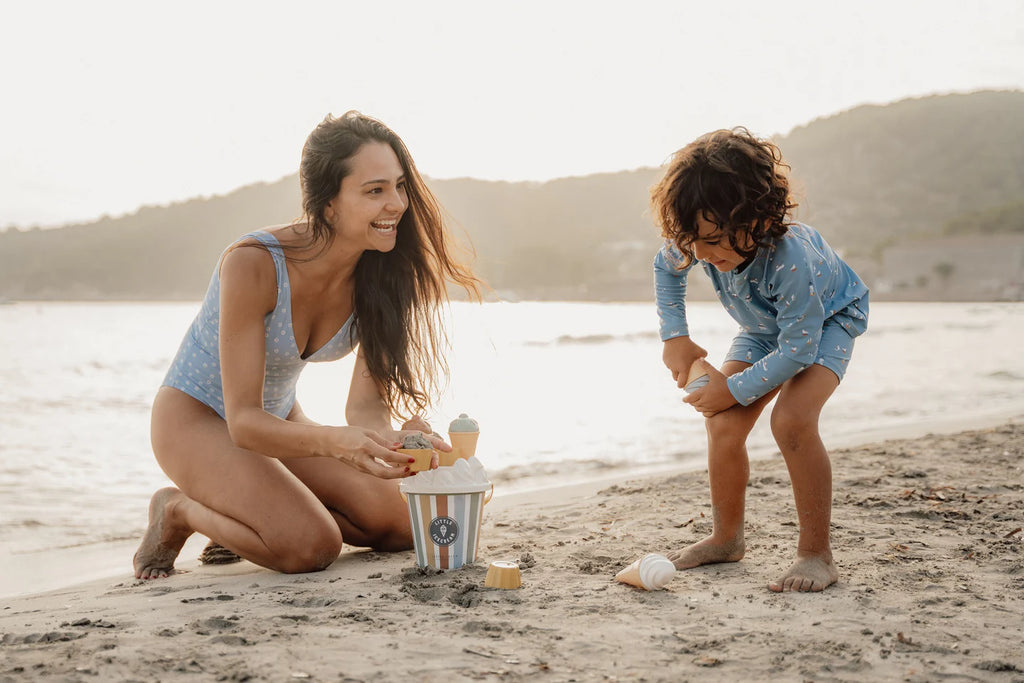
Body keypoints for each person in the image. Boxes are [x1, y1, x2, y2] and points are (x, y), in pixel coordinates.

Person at [133, 111, 479, 579]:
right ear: (328, 203)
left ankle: (256, 509)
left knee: (402, 524)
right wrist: (336, 445)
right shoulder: (254, 264)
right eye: (375, 190)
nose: (397, 203)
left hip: (280, 422)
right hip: (196, 420)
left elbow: (365, 409)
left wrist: (393, 439)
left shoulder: (384, 273)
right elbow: (245, 423)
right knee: (309, 547)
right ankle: (180, 510)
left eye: (399, 186)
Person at [650, 128, 869, 592]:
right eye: (694, 243)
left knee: (791, 421)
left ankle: (816, 554)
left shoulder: (791, 259)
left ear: (758, 217)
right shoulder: (697, 237)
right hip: (765, 328)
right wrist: (676, 339)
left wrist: (729, 387)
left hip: (826, 322)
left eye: (714, 241)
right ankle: (726, 539)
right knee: (723, 424)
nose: (702, 255)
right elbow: (664, 268)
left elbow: (799, 349)